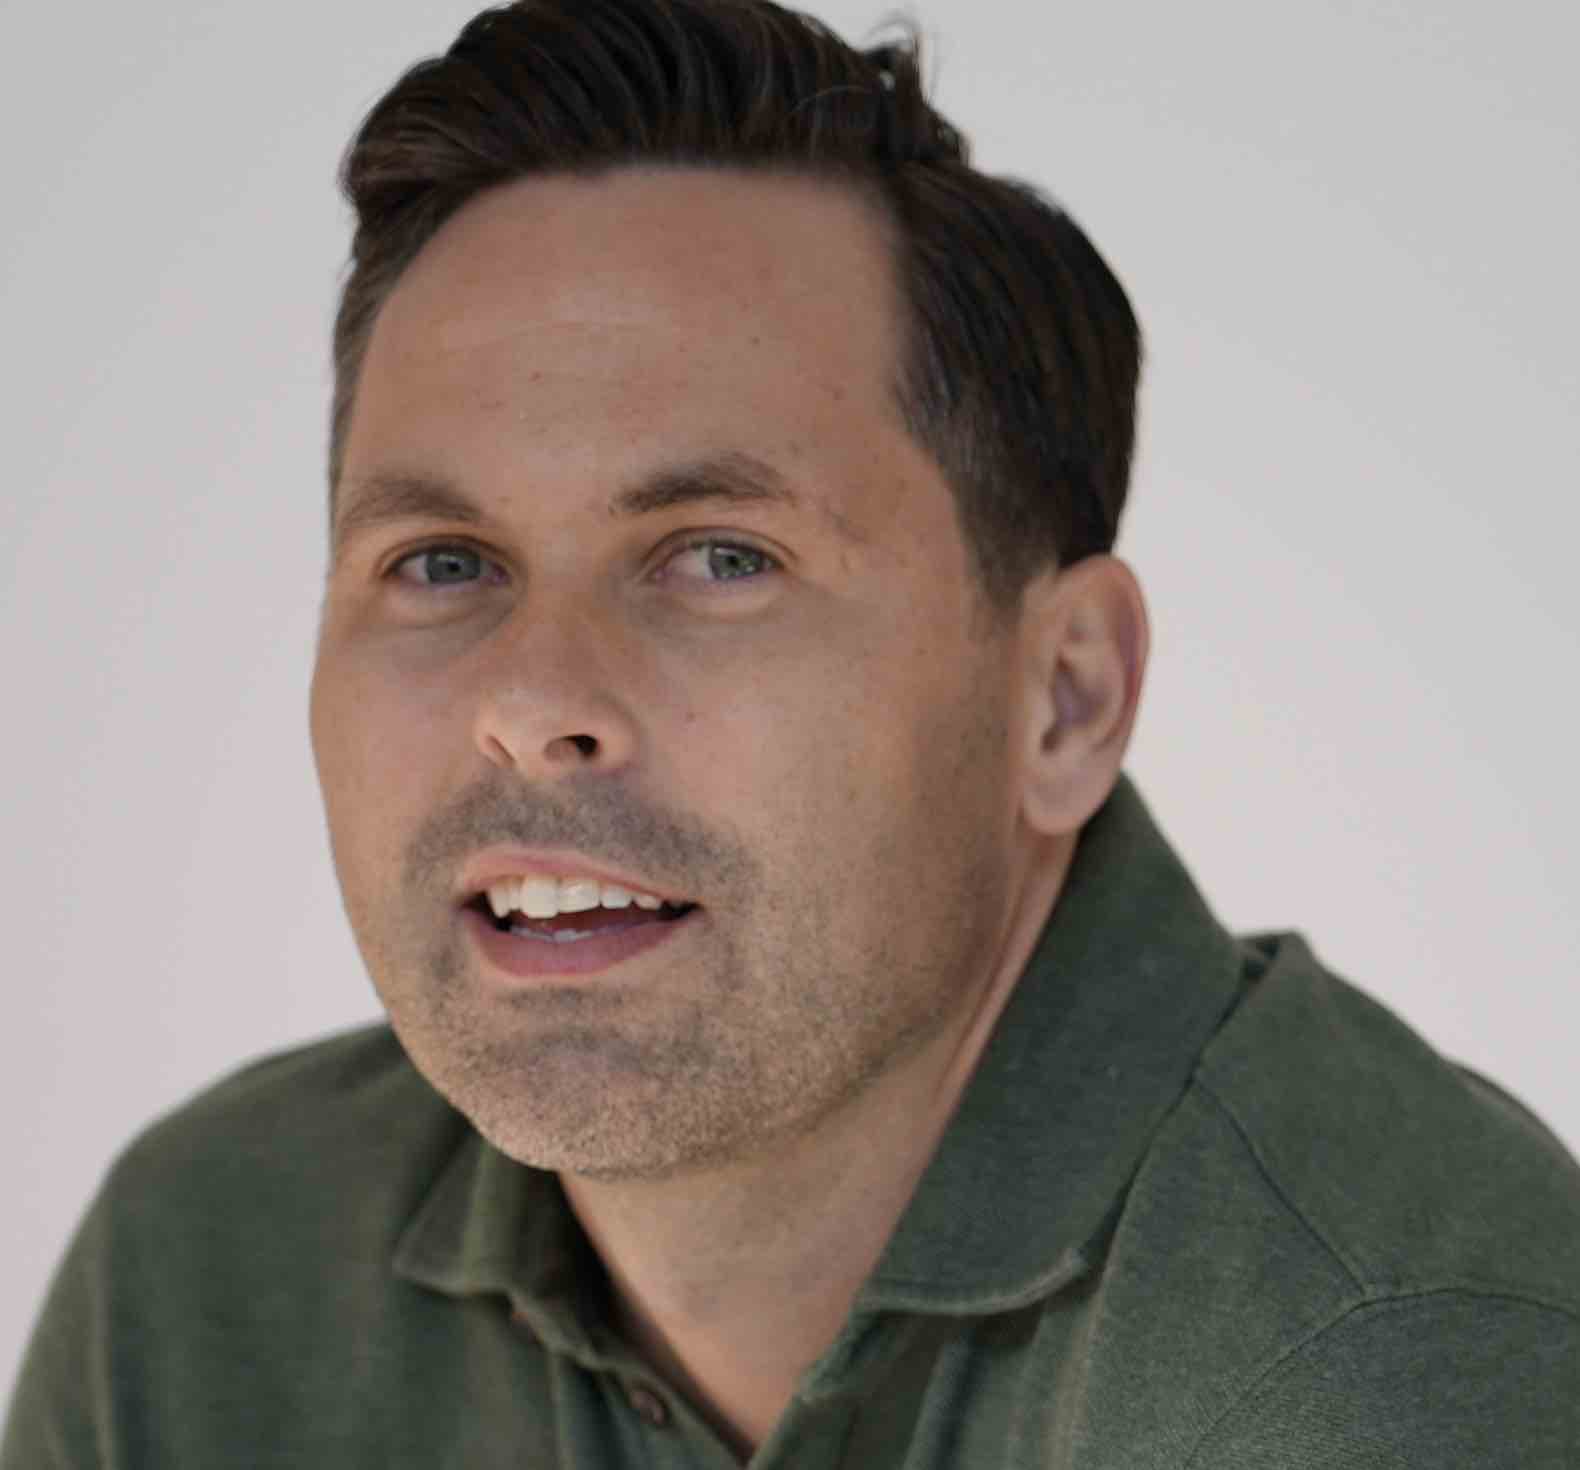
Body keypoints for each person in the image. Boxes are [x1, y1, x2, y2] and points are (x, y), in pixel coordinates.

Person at [6, 0, 1578, 1462]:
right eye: (442, 563)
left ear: (1065, 696)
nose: (534, 703)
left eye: (718, 557)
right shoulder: (200, 1290)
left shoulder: (1381, 1374)